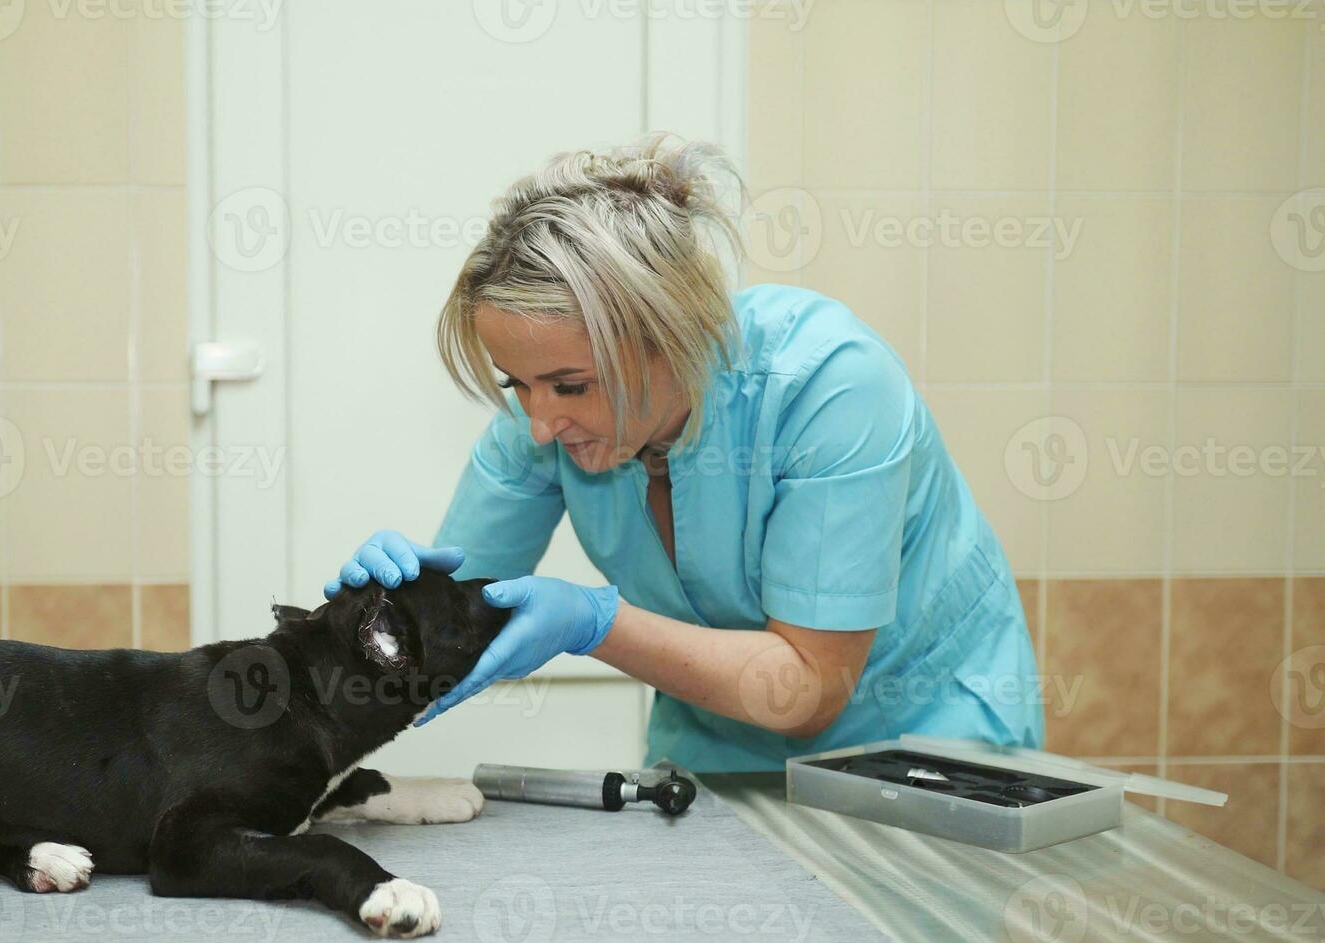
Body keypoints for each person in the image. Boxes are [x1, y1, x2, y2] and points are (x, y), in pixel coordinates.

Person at [325, 135, 1042, 772]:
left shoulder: (832, 387)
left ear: (671, 335)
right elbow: (457, 625)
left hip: (923, 743)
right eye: (519, 385)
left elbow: (806, 689)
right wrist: (383, 610)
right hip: (715, 744)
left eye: (571, 385)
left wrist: (594, 623)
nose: (540, 423)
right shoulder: (540, 427)